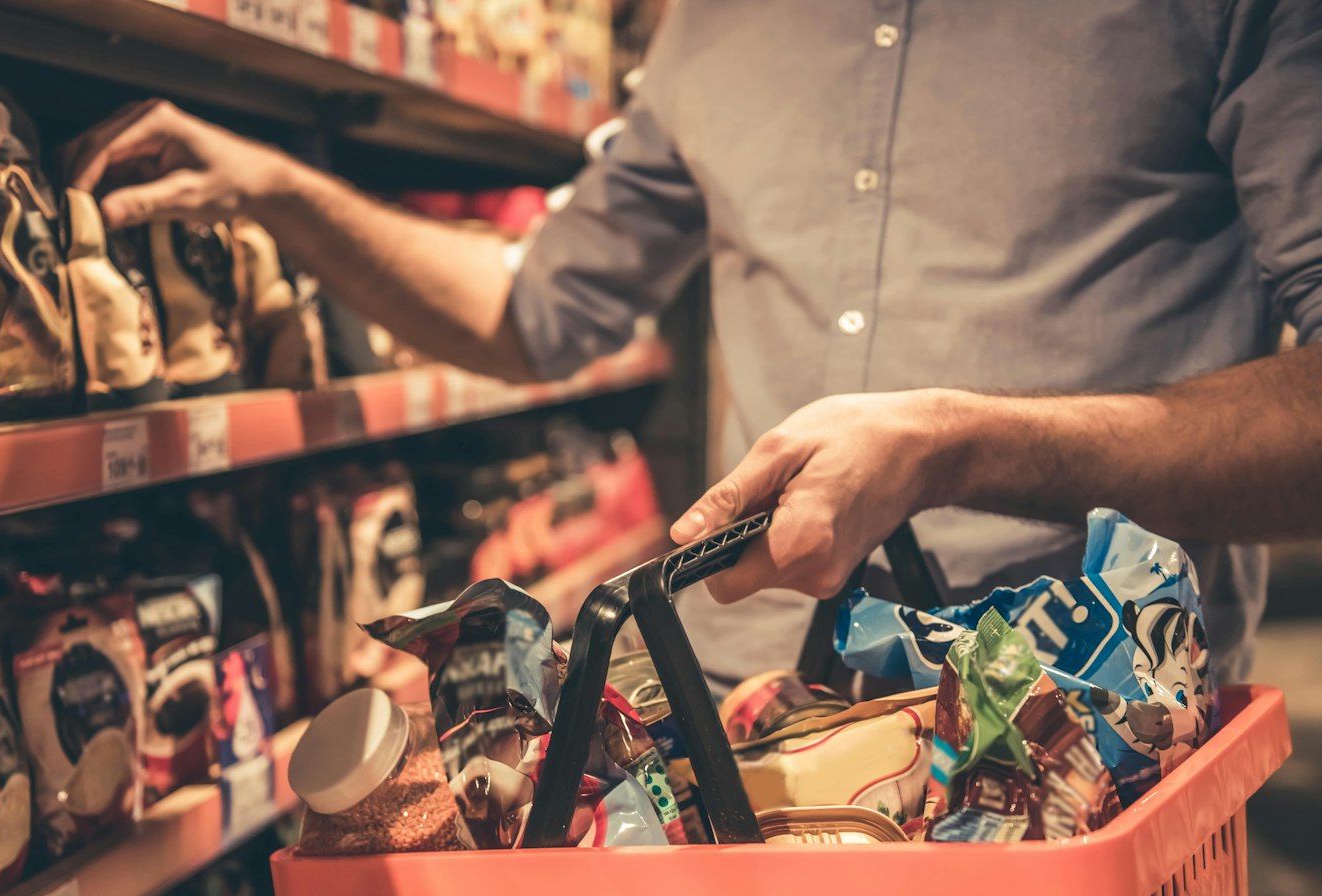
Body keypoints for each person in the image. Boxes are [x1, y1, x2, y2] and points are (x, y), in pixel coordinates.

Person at [68, 1, 1322, 686]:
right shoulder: (714, 24)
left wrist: (963, 442)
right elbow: (535, 309)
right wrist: (283, 191)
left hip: (1080, 726)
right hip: (744, 716)